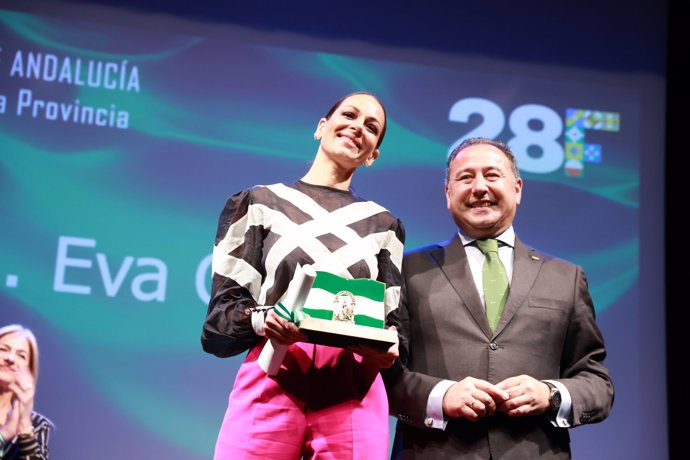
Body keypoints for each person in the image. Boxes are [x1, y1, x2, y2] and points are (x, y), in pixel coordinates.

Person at [201, 91, 405, 459]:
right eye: (349, 115)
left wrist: (385, 349)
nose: (357, 127)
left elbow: (392, 327)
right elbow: (220, 320)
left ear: (373, 155)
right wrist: (268, 320)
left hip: (353, 390)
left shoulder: (384, 226)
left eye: (371, 127)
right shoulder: (258, 203)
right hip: (273, 373)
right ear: (321, 127)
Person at [386, 137, 614, 459]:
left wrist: (550, 394)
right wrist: (441, 396)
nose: (479, 187)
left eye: (492, 175)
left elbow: (596, 382)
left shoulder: (566, 277)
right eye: (466, 177)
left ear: (517, 189)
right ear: (448, 194)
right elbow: (383, 373)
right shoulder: (407, 269)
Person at [0, 324, 53, 460]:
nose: (11, 359)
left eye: (21, 356)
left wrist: (24, 426)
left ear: (28, 370)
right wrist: (4, 435)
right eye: (3, 349)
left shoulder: (37, 425)